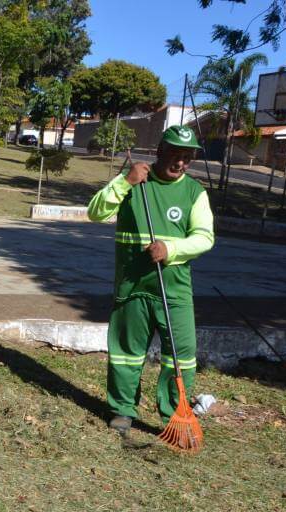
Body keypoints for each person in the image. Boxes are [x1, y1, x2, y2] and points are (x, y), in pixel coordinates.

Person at [86, 125, 215, 438]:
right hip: (133, 287)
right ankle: (122, 410)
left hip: (174, 289)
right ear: (160, 150)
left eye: (188, 157)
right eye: (175, 154)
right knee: (126, 353)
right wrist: (123, 182)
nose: (180, 162)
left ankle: (175, 413)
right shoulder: (133, 183)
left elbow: (204, 238)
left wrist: (170, 248)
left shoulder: (194, 193)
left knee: (182, 355)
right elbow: (96, 212)